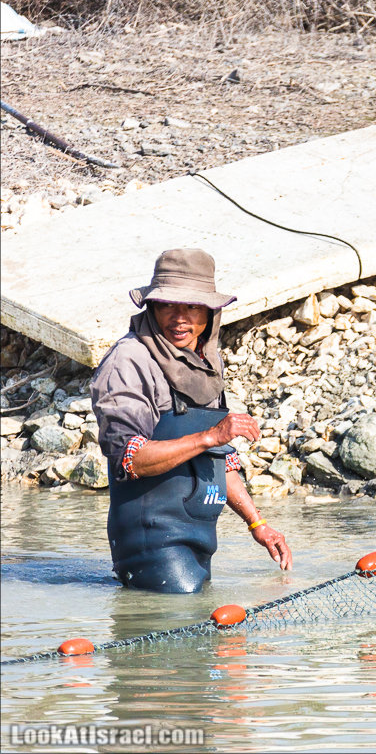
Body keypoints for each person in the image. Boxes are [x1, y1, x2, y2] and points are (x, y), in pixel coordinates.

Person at [91, 248, 292, 593]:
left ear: (211, 314)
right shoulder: (130, 362)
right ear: (152, 307)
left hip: (198, 539)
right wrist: (209, 437)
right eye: (168, 304)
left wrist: (257, 523)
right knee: (179, 621)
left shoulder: (204, 363)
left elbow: (218, 461)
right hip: (151, 541)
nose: (180, 318)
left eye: (193, 306)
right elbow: (130, 458)